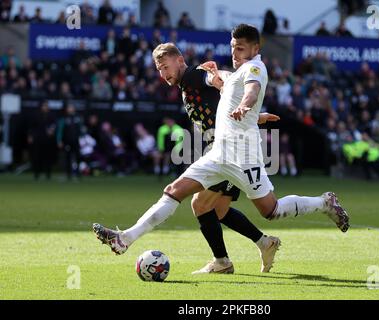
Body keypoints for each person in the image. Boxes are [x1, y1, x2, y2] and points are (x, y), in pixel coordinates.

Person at [93, 24, 349, 273]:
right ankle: (125, 238)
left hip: (241, 155)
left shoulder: (212, 73)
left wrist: (245, 103)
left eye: (165, 66)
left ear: (179, 60)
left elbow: (249, 89)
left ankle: (323, 203)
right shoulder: (223, 76)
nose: (163, 73)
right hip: (218, 152)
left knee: (269, 210)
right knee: (181, 195)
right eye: (158, 70)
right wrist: (252, 112)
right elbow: (228, 91)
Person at [57, 104, 83, 180]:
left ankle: (77, 173)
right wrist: (59, 140)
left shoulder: (78, 118)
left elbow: (81, 129)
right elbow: (60, 131)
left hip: (76, 141)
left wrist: (82, 139)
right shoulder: (64, 118)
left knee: (78, 157)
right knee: (67, 157)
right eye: (69, 108)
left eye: (72, 108)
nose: (70, 109)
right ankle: (68, 174)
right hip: (67, 141)